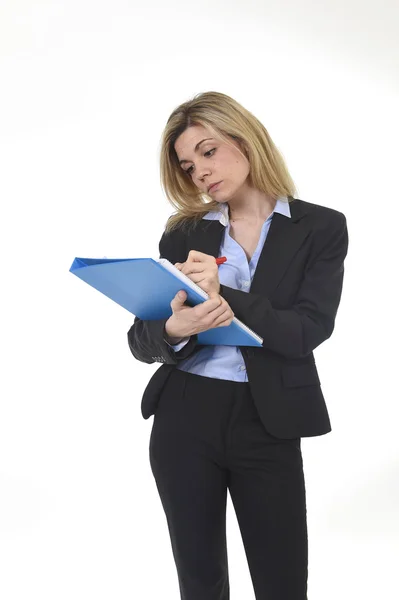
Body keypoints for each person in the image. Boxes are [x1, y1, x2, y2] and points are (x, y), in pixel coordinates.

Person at [127, 91, 349, 600]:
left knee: (283, 581)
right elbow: (142, 340)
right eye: (187, 165)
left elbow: (306, 331)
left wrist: (224, 294)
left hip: (267, 417)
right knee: (200, 582)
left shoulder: (321, 227)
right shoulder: (184, 235)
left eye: (208, 151)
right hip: (184, 416)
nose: (199, 172)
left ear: (245, 139)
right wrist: (175, 331)